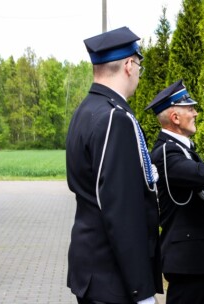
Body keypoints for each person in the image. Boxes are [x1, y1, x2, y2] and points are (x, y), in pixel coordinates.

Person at [66, 27, 163, 304]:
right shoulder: (115, 118)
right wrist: (141, 291)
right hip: (113, 278)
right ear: (130, 65)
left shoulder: (86, 110)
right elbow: (122, 210)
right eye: (139, 67)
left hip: (92, 268)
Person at [146, 80, 204, 304]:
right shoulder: (166, 153)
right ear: (175, 118)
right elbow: (202, 174)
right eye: (190, 108)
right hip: (186, 261)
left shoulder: (181, 149)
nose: (196, 113)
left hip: (193, 259)